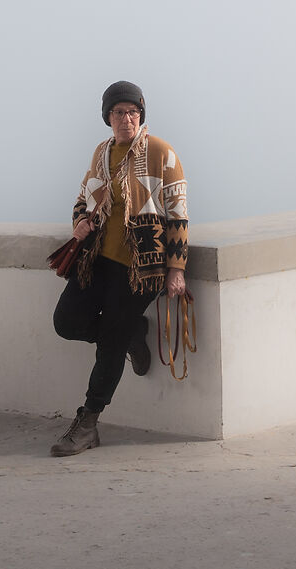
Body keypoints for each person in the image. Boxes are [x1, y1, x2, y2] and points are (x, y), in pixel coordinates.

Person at [49, 81, 190, 457]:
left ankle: (88, 423)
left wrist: (176, 269)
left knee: (108, 345)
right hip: (97, 260)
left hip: (141, 270)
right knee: (66, 322)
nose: (125, 119)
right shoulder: (102, 153)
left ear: (141, 115)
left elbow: (177, 214)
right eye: (117, 112)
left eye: (132, 112)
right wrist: (79, 222)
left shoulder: (161, 152)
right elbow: (84, 198)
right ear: (107, 118)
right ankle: (130, 336)